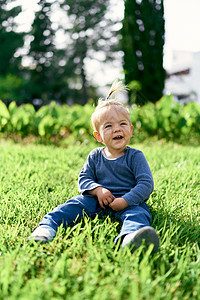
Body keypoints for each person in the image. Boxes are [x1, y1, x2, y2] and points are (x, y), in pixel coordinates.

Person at [28, 81, 159, 252]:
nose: (117, 129)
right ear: (98, 136)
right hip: (97, 201)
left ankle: (130, 239)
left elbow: (146, 184)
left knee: (138, 215)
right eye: (109, 126)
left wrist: (125, 201)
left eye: (122, 124)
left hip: (130, 202)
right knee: (72, 205)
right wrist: (98, 190)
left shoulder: (135, 156)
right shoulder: (95, 156)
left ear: (131, 130)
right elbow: (84, 178)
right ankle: (47, 228)